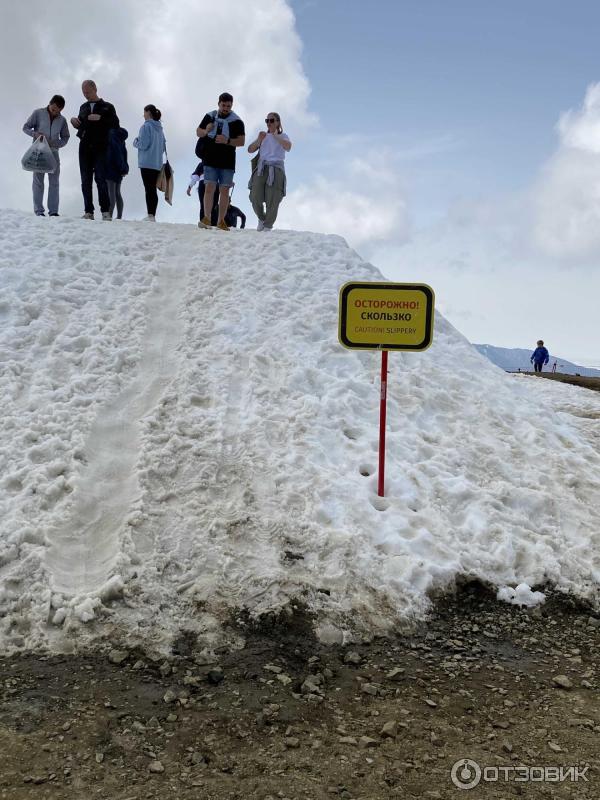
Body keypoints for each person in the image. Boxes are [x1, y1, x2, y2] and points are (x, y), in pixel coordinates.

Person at [196, 93, 245, 231]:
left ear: (232, 106)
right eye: (223, 105)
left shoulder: (237, 121)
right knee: (209, 188)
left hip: (227, 162)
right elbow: (198, 132)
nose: (225, 108)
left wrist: (227, 140)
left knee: (224, 190)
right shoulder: (210, 116)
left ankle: (221, 221)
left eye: (228, 106)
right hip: (210, 159)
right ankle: (206, 218)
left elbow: (242, 141)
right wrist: (206, 130)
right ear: (218, 103)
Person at [71, 80, 119, 220]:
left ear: (95, 89)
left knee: (100, 179)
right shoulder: (83, 107)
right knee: (85, 180)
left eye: (87, 92)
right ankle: (88, 212)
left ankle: (105, 212)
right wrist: (74, 121)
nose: (85, 95)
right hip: (84, 146)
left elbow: (116, 124)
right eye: (83, 92)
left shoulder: (108, 107)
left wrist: (101, 118)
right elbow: (80, 123)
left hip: (101, 147)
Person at [22, 95, 70, 216]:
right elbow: (25, 127)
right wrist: (35, 134)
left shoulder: (62, 120)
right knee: (38, 181)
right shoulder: (38, 113)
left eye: (58, 111)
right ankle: (39, 211)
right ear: (50, 103)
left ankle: (53, 212)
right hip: (38, 151)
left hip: (53, 153)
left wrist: (55, 143)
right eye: (53, 109)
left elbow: (65, 137)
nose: (55, 112)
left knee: (54, 182)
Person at [248, 112, 291, 231]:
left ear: (278, 122)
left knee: (273, 198)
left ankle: (267, 225)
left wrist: (276, 136)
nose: (269, 123)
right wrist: (258, 140)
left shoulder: (284, 136)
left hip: (276, 168)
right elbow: (250, 150)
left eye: (272, 120)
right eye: (267, 121)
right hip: (262, 168)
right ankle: (261, 218)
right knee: (255, 195)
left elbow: (288, 147)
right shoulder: (263, 136)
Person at [133, 104, 166, 221]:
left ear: (149, 113)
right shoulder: (160, 129)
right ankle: (153, 214)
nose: (143, 115)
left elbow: (143, 144)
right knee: (152, 189)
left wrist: (135, 141)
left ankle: (150, 215)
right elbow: (163, 148)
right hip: (157, 163)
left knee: (148, 189)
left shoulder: (145, 127)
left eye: (144, 112)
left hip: (146, 162)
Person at [105, 127, 129, 219]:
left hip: (110, 168)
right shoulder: (121, 139)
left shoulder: (111, 136)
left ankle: (109, 215)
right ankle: (119, 216)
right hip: (119, 169)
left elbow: (113, 154)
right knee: (117, 193)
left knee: (111, 193)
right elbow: (124, 154)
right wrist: (124, 168)